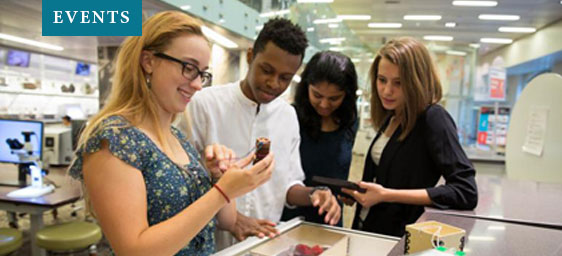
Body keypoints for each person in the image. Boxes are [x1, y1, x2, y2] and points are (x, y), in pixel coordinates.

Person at [68, 11, 274, 256]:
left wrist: (221, 178)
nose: (198, 84)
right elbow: (134, 250)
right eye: (189, 68)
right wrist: (222, 192)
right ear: (149, 61)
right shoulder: (113, 139)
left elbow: (225, 221)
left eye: (203, 73)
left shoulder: (178, 139)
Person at [184, 18, 341, 244]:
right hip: (212, 242)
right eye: (266, 70)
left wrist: (314, 194)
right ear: (250, 56)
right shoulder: (204, 104)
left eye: (285, 78)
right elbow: (183, 182)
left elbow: (288, 185)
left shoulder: (288, 116)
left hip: (265, 242)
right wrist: (234, 218)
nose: (274, 83)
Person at [341, 37, 478, 237]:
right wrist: (362, 194)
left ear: (417, 81)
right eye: (382, 80)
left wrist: (386, 195)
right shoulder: (393, 116)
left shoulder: (433, 118)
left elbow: (466, 191)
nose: (387, 90)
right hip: (369, 228)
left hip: (400, 236)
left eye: (399, 82)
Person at [281, 51, 358, 225]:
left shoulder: (350, 120)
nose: (324, 104)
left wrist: (347, 193)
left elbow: (337, 169)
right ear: (306, 86)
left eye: (334, 98)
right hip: (293, 219)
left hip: (331, 218)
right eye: (317, 95)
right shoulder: (290, 117)